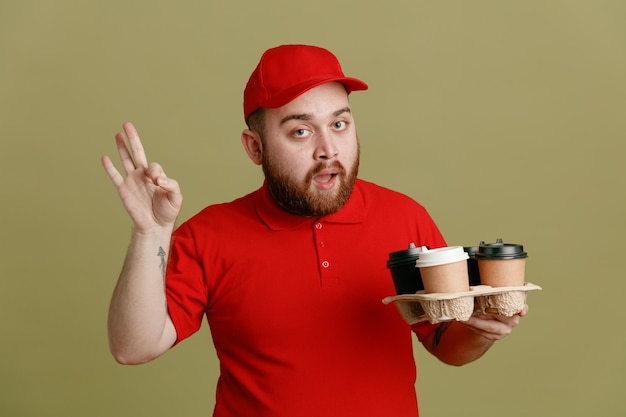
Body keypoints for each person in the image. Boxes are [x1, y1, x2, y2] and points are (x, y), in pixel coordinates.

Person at [102, 44, 528, 417]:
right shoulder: (208, 235)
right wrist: (150, 234)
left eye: (339, 124)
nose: (328, 149)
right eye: (301, 131)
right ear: (255, 147)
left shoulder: (404, 217)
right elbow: (133, 347)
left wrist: (478, 331)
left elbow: (443, 341)